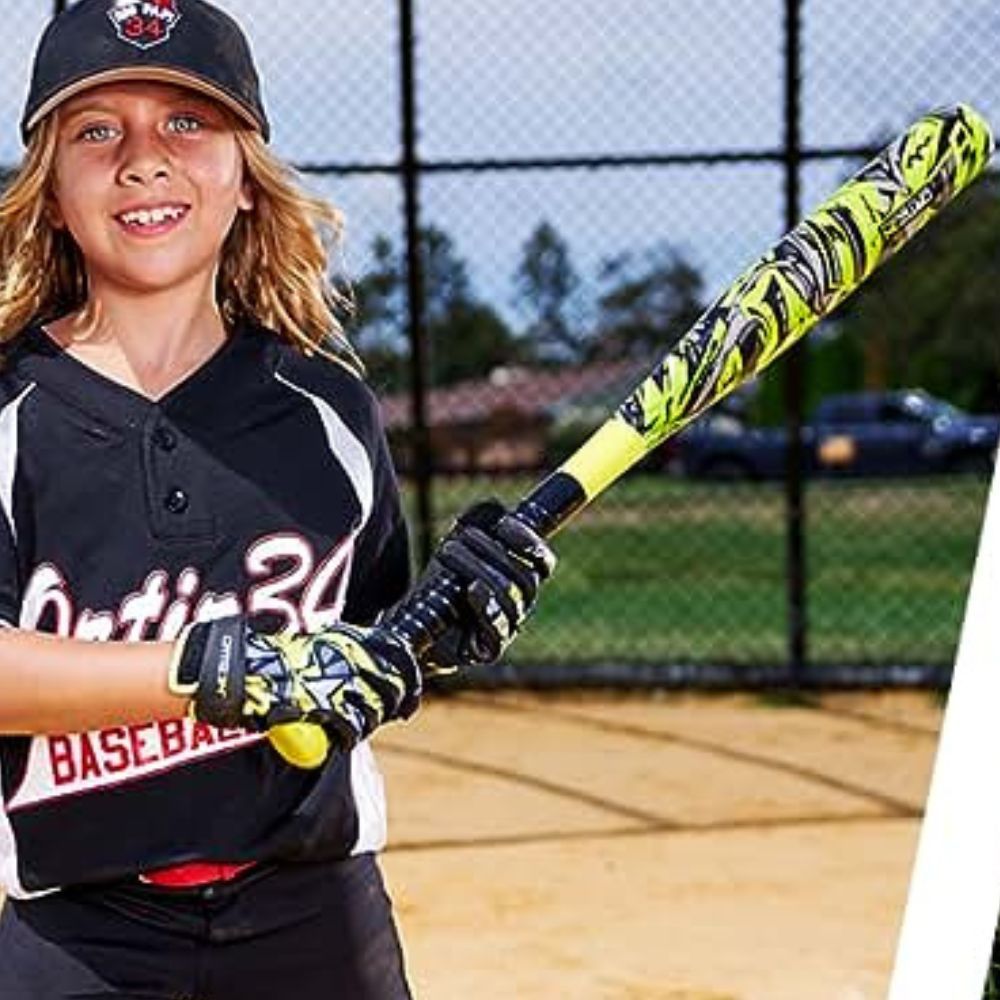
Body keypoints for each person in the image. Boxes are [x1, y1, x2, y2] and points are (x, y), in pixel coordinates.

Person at [0, 1, 556, 997]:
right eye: (96, 130)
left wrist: (445, 622)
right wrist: (205, 669)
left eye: (188, 122)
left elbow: (354, 654)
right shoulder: (11, 414)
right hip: (81, 934)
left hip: (316, 914)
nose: (144, 158)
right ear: (49, 193)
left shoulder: (326, 408)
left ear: (245, 179)